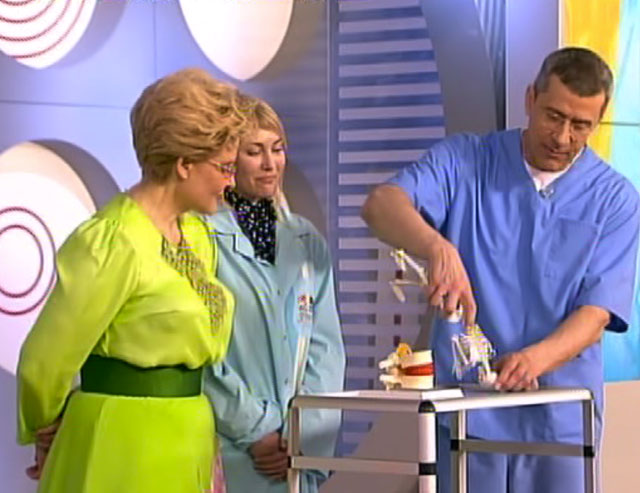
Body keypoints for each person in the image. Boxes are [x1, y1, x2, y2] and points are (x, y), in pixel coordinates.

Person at [361, 47, 640, 493]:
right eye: (553, 116)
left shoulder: (615, 200)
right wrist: (437, 247)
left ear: (598, 122)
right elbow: (381, 205)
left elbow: (598, 313)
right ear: (530, 99)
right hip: (470, 412)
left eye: (580, 125)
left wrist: (534, 361)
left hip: (559, 418)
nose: (563, 137)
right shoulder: (467, 161)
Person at [16, 68, 247, 493]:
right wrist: (45, 428)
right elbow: (44, 361)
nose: (231, 182)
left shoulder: (198, 236)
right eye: (224, 168)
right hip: (119, 439)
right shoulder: (113, 241)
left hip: (190, 433)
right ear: (184, 164)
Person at [204, 95, 345, 493]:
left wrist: (304, 438)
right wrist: (256, 431)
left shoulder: (306, 240)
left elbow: (326, 350)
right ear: (228, 160)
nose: (270, 164)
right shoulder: (200, 238)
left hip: (294, 457)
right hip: (230, 447)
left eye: (277, 149)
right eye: (254, 152)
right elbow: (202, 358)